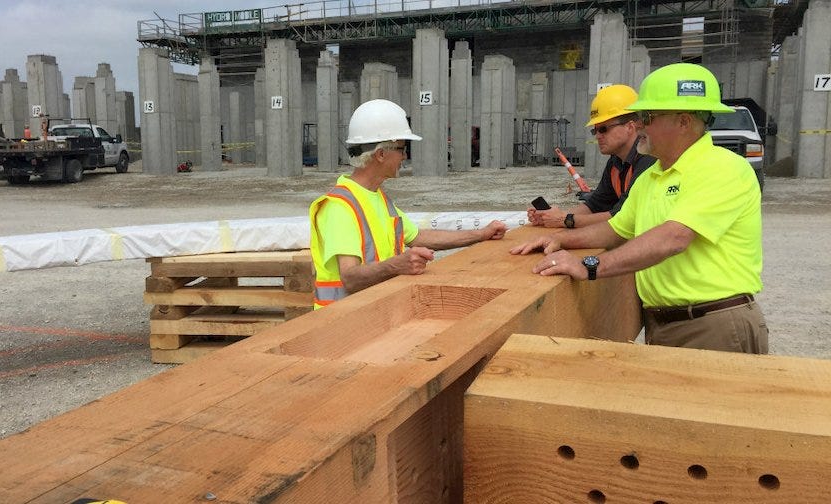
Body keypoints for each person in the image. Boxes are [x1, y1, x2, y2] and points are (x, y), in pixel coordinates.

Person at [510, 63, 768, 354]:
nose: (639, 125)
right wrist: (559, 239)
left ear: (683, 122)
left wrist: (589, 266)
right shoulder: (651, 177)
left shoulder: (723, 169)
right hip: (662, 324)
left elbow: (674, 238)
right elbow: (614, 230)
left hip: (713, 325)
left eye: (647, 116)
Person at [310, 99, 507, 309]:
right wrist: (396, 265)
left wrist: (481, 234)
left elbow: (418, 237)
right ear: (381, 154)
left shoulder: (376, 197)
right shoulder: (340, 206)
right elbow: (350, 278)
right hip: (340, 325)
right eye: (402, 149)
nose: (404, 156)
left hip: (371, 313)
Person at [529, 85, 655, 229]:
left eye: (603, 129)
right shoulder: (616, 161)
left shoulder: (648, 160)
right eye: (595, 130)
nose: (598, 136)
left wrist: (566, 220)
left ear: (630, 127)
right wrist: (553, 217)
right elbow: (595, 205)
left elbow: (621, 216)